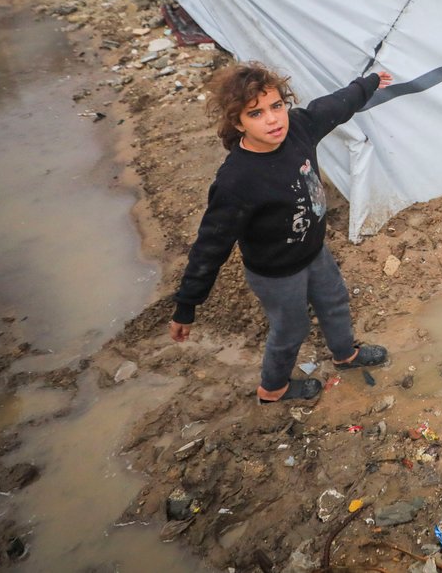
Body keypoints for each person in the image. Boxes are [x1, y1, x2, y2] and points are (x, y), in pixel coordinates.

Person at [168, 61, 393, 403]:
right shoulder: (236, 182)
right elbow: (210, 246)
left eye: (276, 106)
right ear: (237, 122)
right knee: (291, 329)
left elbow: (336, 105)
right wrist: (187, 305)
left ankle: (346, 355)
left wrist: (370, 83)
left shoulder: (300, 128)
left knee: (334, 301)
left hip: (315, 251)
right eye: (256, 113)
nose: (273, 119)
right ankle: (273, 388)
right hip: (275, 272)